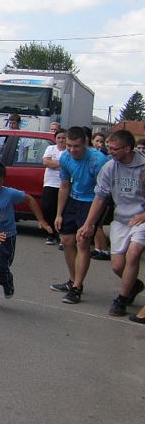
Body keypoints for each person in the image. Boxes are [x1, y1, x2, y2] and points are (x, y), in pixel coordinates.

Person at [76, 130, 145, 316]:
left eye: (114, 149)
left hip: (141, 219)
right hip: (121, 219)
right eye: (109, 147)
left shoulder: (143, 165)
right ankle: (133, 285)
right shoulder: (109, 167)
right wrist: (88, 224)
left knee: (134, 253)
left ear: (127, 149)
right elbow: (100, 197)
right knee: (117, 266)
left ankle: (121, 300)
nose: (110, 151)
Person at [0, 161, 52, 308]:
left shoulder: (9, 194)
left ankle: (7, 281)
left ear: (3, 181)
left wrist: (41, 220)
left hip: (6, 237)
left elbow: (29, 199)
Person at [52, 126, 110, 304]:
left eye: (76, 146)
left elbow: (103, 193)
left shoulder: (98, 160)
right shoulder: (65, 157)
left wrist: (90, 222)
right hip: (74, 199)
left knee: (82, 241)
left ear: (85, 143)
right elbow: (64, 185)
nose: (72, 150)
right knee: (66, 240)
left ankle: (77, 288)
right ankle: (72, 280)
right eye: (69, 145)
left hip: (93, 201)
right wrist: (59, 214)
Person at [42, 128, 67, 245]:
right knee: (47, 208)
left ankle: (60, 235)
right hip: (50, 183)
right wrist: (62, 165)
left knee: (61, 210)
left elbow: (69, 166)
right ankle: (50, 233)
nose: (61, 140)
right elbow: (46, 162)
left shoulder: (69, 151)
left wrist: (54, 164)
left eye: (63, 138)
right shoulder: (50, 148)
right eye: (59, 138)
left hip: (63, 184)